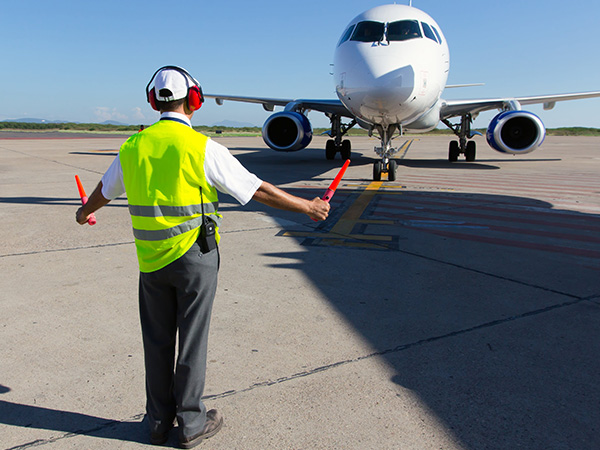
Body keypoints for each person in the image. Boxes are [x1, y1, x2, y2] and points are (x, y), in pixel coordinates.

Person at [76, 66, 330, 448]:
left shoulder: (133, 147)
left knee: (157, 341)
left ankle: (158, 422)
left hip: (151, 261)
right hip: (195, 257)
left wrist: (83, 212)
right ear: (194, 100)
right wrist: (307, 207)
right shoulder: (202, 147)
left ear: (152, 102)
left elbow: (103, 190)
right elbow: (256, 190)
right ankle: (192, 424)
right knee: (191, 340)